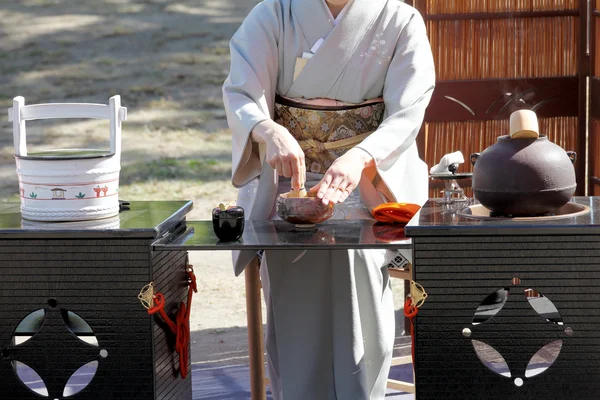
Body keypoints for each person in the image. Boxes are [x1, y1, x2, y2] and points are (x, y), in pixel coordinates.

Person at [222, 0, 435, 398]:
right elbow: (241, 93)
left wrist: (361, 157)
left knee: (363, 298)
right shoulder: (274, 14)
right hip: (292, 188)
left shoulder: (399, 19)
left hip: (368, 184)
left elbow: (408, 110)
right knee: (293, 303)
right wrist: (268, 130)